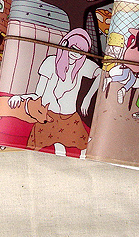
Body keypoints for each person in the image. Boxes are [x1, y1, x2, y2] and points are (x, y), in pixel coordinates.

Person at [8, 28, 102, 156]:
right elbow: (38, 94)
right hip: (49, 117)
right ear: (65, 44)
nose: (76, 54)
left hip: (70, 118)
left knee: (84, 151)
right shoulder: (50, 62)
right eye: (74, 48)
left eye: (81, 52)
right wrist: (20, 98)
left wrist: (87, 98)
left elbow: (100, 73)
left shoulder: (82, 66)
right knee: (49, 151)